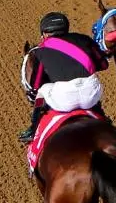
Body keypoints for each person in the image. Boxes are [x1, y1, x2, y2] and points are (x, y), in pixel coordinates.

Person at [20, 12, 109, 143]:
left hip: (64, 99)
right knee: (90, 84)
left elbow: (36, 83)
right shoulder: (84, 39)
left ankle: (33, 128)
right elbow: (103, 64)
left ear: (44, 33)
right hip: (91, 95)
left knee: (42, 89)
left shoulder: (39, 50)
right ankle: (103, 118)